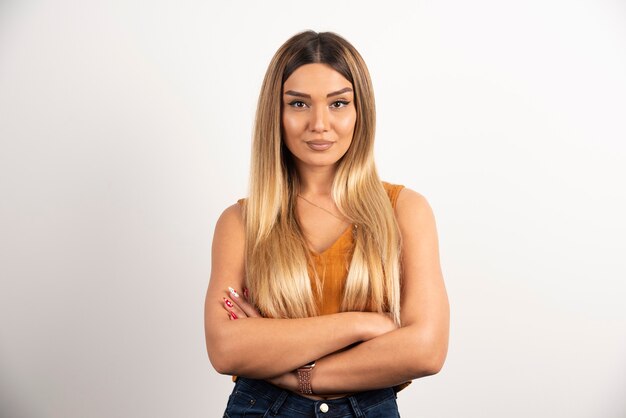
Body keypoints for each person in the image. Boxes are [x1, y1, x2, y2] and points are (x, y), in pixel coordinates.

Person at [204, 30, 449, 417]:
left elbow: (426, 349)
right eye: (299, 103)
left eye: (338, 103)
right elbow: (226, 349)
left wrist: (298, 375)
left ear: (360, 111)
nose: (320, 123)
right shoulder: (241, 223)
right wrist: (364, 325)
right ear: (276, 113)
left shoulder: (404, 211)